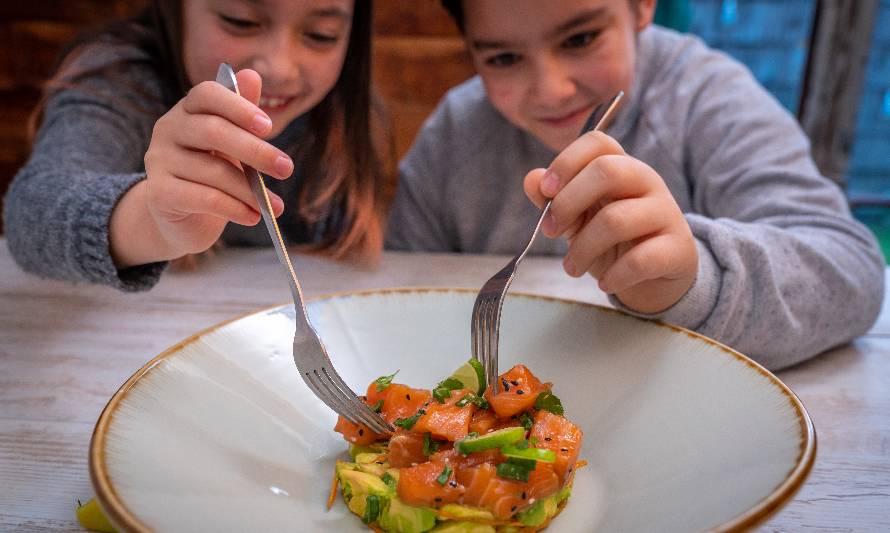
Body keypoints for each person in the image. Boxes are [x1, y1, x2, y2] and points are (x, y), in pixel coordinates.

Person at [385, 0, 885, 370]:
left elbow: (853, 270)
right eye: (502, 58)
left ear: (643, 6)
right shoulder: (454, 131)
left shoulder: (706, 96)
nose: (551, 90)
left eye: (580, 39)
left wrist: (694, 280)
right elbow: (398, 293)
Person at [4, 0, 392, 291]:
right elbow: (32, 212)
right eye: (241, 21)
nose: (278, 67)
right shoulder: (120, 80)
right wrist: (153, 218)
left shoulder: (350, 114)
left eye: (321, 35)